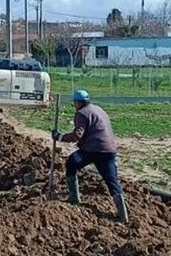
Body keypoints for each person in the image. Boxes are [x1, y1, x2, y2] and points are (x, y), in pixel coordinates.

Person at [52, 89, 129, 223]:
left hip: (93, 150)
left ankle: (74, 198)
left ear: (77, 102)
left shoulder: (82, 113)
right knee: (112, 180)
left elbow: (77, 135)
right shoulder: (99, 109)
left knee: (71, 163)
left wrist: (60, 137)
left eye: (74, 103)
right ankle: (123, 215)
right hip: (109, 150)